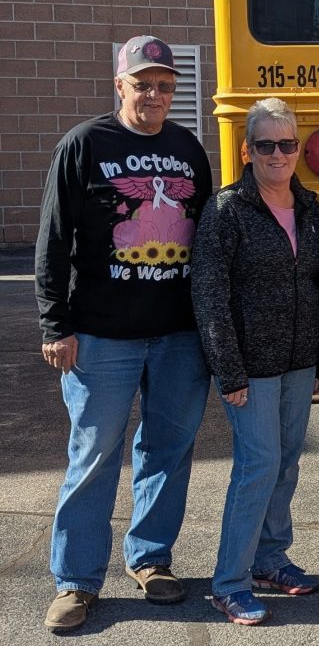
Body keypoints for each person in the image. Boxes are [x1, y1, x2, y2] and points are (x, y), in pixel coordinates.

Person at [35, 35, 213, 634]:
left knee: (167, 451)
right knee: (93, 457)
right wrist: (55, 323)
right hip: (101, 336)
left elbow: (206, 241)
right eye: (143, 83)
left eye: (164, 84)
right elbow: (54, 240)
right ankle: (77, 581)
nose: (155, 94)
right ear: (120, 85)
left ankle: (151, 558)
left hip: (178, 336)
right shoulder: (84, 145)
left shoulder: (188, 149)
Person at [191, 98, 319, 625]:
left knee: (288, 462)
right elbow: (209, 293)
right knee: (258, 466)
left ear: (298, 149)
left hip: (298, 361)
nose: (278, 154)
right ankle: (230, 581)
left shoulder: (309, 205)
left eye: (287, 144)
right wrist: (227, 368)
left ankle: (271, 559)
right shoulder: (227, 209)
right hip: (250, 366)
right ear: (247, 150)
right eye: (266, 145)